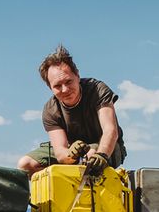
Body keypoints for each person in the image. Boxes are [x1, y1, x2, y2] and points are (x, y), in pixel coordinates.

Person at [18, 44, 126, 175]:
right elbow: (60, 153)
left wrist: (102, 155)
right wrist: (71, 154)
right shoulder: (51, 110)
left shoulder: (97, 90)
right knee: (25, 164)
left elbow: (110, 130)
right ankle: (58, 191)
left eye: (68, 82)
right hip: (73, 151)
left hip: (108, 147)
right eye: (57, 86)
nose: (65, 89)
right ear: (50, 88)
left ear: (77, 76)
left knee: (90, 156)